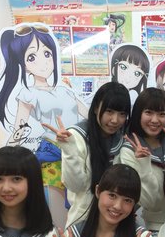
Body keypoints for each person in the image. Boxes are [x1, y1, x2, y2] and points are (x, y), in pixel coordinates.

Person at [0, 23, 87, 188]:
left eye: (47, 54)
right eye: (32, 57)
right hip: (53, 155)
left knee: (80, 197)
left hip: (78, 152)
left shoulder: (65, 89)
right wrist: (5, 162)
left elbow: (89, 115)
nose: (43, 62)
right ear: (24, 65)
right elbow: (19, 130)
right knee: (58, 201)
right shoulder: (28, 94)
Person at [45, 82, 131, 225]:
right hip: (83, 220)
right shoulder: (77, 136)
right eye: (109, 111)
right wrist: (69, 150)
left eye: (122, 114)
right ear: (96, 108)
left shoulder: (124, 140)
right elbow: (75, 186)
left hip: (116, 220)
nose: (115, 120)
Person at [117, 87, 165, 232]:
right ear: (138, 114)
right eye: (148, 112)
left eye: (161, 114)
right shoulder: (129, 151)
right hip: (155, 226)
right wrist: (144, 163)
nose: (155, 120)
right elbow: (149, 202)